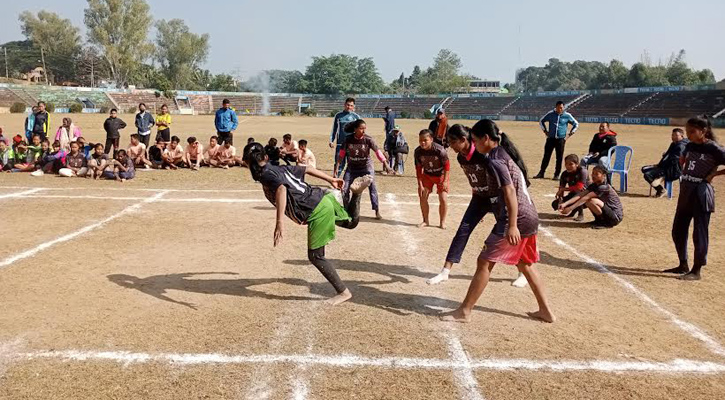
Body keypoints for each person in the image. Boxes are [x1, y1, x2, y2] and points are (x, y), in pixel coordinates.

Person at [441, 119, 555, 324]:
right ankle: (546, 311)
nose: (473, 144)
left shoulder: (495, 159)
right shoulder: (503, 152)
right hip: (530, 216)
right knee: (526, 264)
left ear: (486, 138)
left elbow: (510, 191)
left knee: (484, 261)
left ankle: (464, 311)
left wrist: (511, 225)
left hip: (517, 218)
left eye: (475, 139)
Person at [246, 143, 373, 305]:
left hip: (315, 210)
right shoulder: (281, 168)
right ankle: (356, 194)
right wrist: (330, 178)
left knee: (316, 256)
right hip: (322, 197)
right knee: (351, 223)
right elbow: (305, 168)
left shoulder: (265, 175)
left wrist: (279, 223)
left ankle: (343, 292)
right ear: (265, 157)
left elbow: (281, 190)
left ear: (247, 162)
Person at [427, 124, 528, 288]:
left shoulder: (484, 156)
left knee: (509, 235)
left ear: (463, 140)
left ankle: (522, 272)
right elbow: (473, 178)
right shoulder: (461, 157)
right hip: (480, 198)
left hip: (497, 199)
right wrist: (477, 205)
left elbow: (501, 181)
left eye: (453, 142)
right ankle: (445, 271)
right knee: (462, 230)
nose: (451, 147)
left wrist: (498, 203)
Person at [664, 116, 725, 280]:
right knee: (678, 230)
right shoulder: (689, 145)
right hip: (686, 191)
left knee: (699, 233)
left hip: (701, 192)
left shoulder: (713, 148)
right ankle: (682, 264)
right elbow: (683, 159)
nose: (689, 134)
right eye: (687, 130)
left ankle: (696, 270)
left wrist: (713, 174)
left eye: (692, 131)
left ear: (703, 131)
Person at [335, 119, 392, 220]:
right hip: (352, 167)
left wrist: (386, 165)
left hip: (366, 166)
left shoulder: (368, 139)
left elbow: (377, 152)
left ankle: (376, 210)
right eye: (361, 128)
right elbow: (342, 154)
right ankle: (346, 209)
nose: (363, 131)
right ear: (355, 129)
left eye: (364, 129)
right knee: (344, 188)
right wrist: (337, 167)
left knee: (372, 187)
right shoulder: (348, 139)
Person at [558, 165, 623, 229]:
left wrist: (569, 208)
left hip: (615, 217)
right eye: (593, 173)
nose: (593, 176)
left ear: (604, 176)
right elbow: (580, 195)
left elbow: (586, 197)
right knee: (588, 201)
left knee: (592, 200)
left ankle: (605, 223)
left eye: (597, 174)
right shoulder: (594, 185)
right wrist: (565, 204)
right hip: (608, 212)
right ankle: (598, 221)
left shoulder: (604, 187)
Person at [414, 129, 450, 229]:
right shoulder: (418, 152)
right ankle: (425, 221)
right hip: (427, 175)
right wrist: (420, 185)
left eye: (425, 140)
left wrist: (445, 181)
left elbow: (447, 166)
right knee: (423, 197)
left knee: (443, 198)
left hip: (441, 175)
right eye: (420, 140)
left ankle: (442, 222)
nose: (422, 142)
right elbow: (418, 169)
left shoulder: (440, 150)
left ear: (431, 139)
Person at [534, 101, 579, 180]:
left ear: (564, 107)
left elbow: (576, 124)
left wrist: (569, 134)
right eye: (558, 107)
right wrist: (545, 131)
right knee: (546, 156)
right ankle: (541, 173)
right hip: (550, 139)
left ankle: (557, 175)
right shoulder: (551, 114)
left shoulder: (567, 115)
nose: (560, 109)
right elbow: (541, 121)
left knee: (559, 157)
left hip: (561, 140)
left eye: (561, 107)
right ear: (556, 107)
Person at [642, 128, 688, 198]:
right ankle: (660, 177)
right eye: (672, 135)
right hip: (665, 167)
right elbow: (667, 156)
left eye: (676, 135)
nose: (673, 137)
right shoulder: (673, 144)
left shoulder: (681, 146)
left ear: (681, 136)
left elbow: (673, 160)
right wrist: (659, 164)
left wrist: (661, 165)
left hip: (673, 170)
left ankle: (661, 189)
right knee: (644, 169)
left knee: (647, 175)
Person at [552, 154, 589, 222]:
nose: (568, 166)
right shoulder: (564, 174)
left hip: (586, 196)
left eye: (571, 164)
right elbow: (561, 188)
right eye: (566, 164)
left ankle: (580, 214)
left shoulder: (583, 171)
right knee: (555, 204)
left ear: (577, 164)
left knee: (578, 192)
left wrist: (563, 189)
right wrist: (561, 200)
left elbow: (579, 187)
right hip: (573, 194)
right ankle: (572, 212)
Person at [330, 98, 361, 177]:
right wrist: (331, 140)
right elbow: (334, 129)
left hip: (352, 145)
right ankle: (335, 181)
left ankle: (348, 182)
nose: (349, 107)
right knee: (338, 163)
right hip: (340, 144)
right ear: (344, 105)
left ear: (354, 106)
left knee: (352, 164)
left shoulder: (356, 117)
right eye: (347, 105)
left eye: (351, 105)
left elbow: (360, 131)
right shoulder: (338, 115)